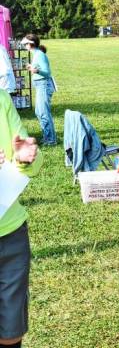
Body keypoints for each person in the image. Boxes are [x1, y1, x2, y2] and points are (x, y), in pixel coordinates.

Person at [0, 88, 42, 347]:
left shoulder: (1, 98)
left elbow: (30, 161)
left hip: (11, 234)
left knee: (11, 330)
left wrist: (25, 157)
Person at [21, 35, 56, 145]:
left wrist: (36, 71)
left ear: (30, 44)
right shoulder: (36, 54)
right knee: (39, 112)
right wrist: (32, 67)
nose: (25, 45)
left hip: (44, 85)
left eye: (26, 44)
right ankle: (47, 137)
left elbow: (47, 73)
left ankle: (51, 140)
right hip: (40, 85)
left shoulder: (40, 55)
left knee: (43, 112)